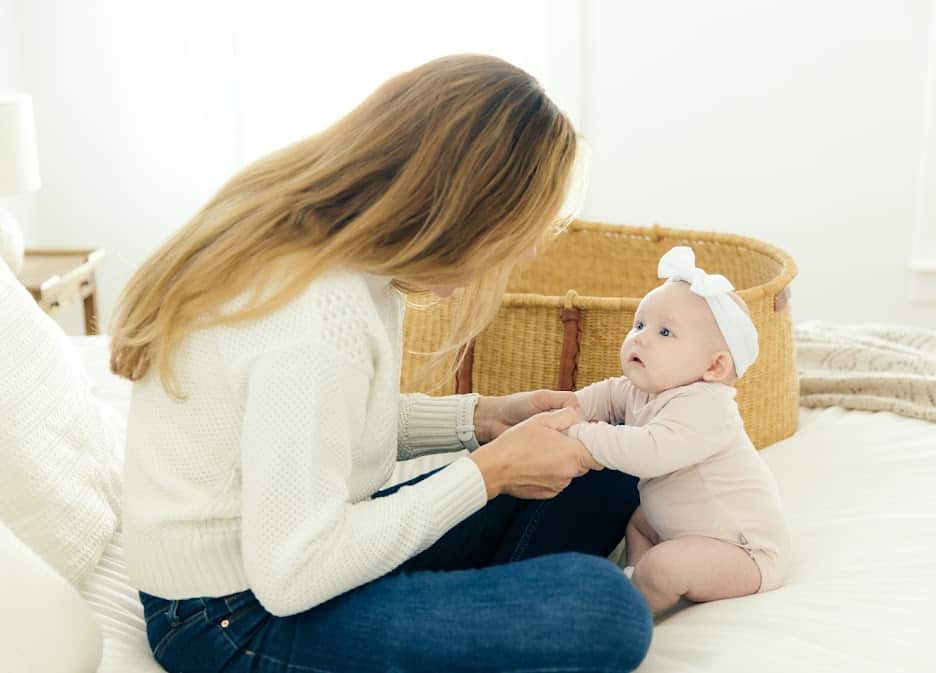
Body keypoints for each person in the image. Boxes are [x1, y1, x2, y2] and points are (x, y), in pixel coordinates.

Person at [110, 54, 652, 673]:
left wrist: (481, 420)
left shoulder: (349, 255)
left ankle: (456, 627)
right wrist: (488, 473)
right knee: (607, 611)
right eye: (521, 226)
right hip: (233, 616)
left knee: (605, 459)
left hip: (296, 558)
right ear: (463, 210)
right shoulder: (314, 312)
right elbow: (292, 573)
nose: (528, 248)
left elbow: (328, 421)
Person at [566, 246, 790, 616]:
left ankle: (630, 609)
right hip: (683, 526)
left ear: (715, 366)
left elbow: (650, 452)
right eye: (639, 324)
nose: (640, 338)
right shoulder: (646, 387)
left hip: (745, 551)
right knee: (638, 523)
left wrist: (578, 434)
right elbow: (604, 396)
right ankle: (637, 577)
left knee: (664, 567)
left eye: (665, 331)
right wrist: (566, 409)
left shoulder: (707, 406)